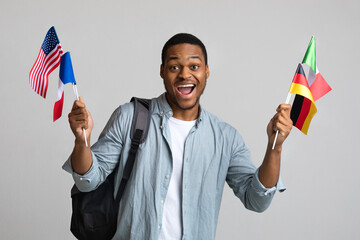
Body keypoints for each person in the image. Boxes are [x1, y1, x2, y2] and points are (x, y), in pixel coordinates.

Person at [63, 33, 293, 240]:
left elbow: (257, 200)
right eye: (175, 67)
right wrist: (81, 140)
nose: (185, 74)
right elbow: (87, 181)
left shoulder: (225, 137)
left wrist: (275, 148)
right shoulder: (129, 117)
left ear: (206, 71)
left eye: (194, 66)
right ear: (162, 71)